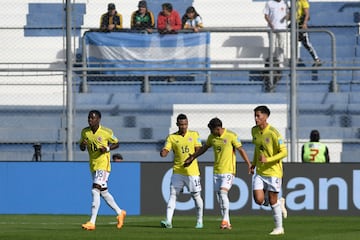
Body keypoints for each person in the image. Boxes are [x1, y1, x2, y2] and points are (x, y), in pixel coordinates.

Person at [184, 117, 252, 230]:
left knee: (223, 192)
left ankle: (224, 220)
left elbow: (241, 150)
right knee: (219, 197)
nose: (210, 133)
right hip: (216, 172)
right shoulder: (212, 137)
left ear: (218, 128)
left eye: (212, 130)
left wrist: (249, 164)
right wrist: (192, 157)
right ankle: (227, 222)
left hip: (229, 171)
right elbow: (203, 149)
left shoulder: (231, 136)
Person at [80, 110, 126, 230]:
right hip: (93, 165)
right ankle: (120, 212)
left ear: (98, 119)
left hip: (103, 165)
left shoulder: (106, 132)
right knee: (104, 193)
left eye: (92, 118)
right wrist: (83, 145)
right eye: (89, 118)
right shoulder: (85, 132)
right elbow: (81, 147)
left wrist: (107, 148)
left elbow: (117, 143)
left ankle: (92, 222)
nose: (90, 120)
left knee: (95, 190)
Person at [160, 114, 204, 229]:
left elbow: (199, 149)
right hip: (178, 171)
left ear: (187, 123)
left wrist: (192, 157)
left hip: (192, 172)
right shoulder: (172, 138)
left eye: (185, 124)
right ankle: (168, 221)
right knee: (173, 195)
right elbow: (166, 149)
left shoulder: (194, 134)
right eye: (181, 125)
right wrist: (163, 152)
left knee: (196, 196)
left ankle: (199, 221)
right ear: (177, 125)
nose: (184, 127)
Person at [250, 105, 288, 235]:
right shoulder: (254, 131)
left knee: (272, 201)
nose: (256, 118)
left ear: (265, 116)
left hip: (273, 171)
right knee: (258, 200)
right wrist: (253, 164)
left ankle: (279, 228)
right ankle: (279, 201)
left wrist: (269, 160)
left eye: (258, 116)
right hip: (260, 172)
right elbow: (257, 149)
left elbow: (284, 152)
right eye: (255, 115)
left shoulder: (273, 133)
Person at [296, 0, 322, 66]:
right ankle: (295, 58)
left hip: (300, 24)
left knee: (306, 43)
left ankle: (316, 59)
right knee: (293, 42)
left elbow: (307, 13)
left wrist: (304, 23)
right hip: (294, 24)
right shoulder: (294, 2)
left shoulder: (303, 1)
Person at [264, 0, 289, 66]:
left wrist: (286, 17)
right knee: (272, 46)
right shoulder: (269, 3)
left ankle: (281, 63)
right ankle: (272, 62)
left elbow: (288, 14)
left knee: (281, 45)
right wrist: (271, 24)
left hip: (282, 28)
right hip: (271, 28)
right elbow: (266, 15)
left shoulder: (284, 3)